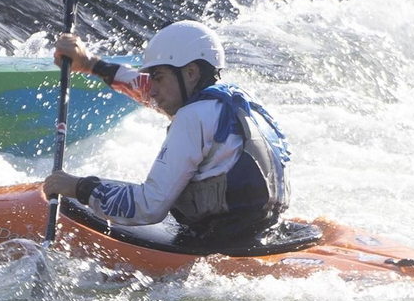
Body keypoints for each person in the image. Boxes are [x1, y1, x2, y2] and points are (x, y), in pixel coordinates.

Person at [42, 21, 291, 244]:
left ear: (191, 73)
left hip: (219, 244)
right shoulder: (235, 100)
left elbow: (148, 206)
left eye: (158, 78)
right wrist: (90, 64)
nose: (151, 90)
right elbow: (146, 89)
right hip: (264, 230)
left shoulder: (193, 117)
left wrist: (79, 187)